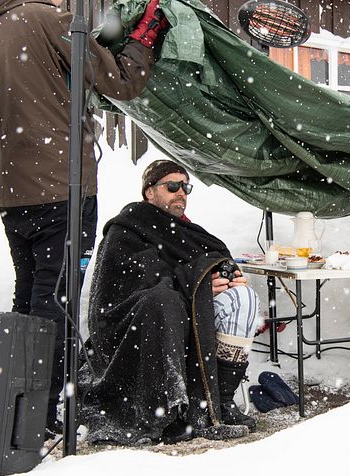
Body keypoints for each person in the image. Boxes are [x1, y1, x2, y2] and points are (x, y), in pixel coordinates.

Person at [0, 0, 169, 435]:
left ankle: (17, 408)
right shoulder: (45, 19)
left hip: (14, 191)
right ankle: (42, 413)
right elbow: (121, 81)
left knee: (30, 296)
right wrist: (144, 38)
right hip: (61, 185)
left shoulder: (0, 27)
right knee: (56, 301)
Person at [81, 160, 261, 444]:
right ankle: (172, 412)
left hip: (190, 312)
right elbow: (138, 286)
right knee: (164, 302)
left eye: (185, 186)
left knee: (244, 298)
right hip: (143, 320)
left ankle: (220, 404)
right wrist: (196, 286)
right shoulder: (127, 229)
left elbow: (206, 263)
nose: (181, 193)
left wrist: (225, 277)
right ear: (149, 192)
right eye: (172, 186)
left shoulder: (188, 232)